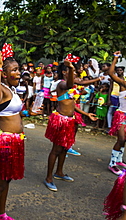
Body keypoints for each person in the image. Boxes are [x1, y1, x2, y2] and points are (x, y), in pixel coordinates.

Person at [0, 51, 40, 220]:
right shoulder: (0, 88)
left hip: (15, 142)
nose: (19, 73)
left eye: (19, 69)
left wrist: (28, 113)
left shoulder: (11, 89)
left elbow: (10, 112)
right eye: (15, 70)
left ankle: (1, 214)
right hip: (4, 142)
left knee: (7, 179)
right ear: (3, 74)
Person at [44, 61, 97, 192]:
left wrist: (86, 114)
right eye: (70, 71)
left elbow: (72, 105)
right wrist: (72, 68)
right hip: (61, 120)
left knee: (65, 148)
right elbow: (69, 84)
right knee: (56, 150)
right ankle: (49, 178)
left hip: (70, 120)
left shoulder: (71, 87)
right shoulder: (61, 84)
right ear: (64, 72)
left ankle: (59, 172)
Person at [107, 52, 126, 176]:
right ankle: (112, 163)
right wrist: (115, 58)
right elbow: (110, 74)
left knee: (125, 140)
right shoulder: (124, 84)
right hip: (121, 115)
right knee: (121, 139)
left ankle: (119, 160)